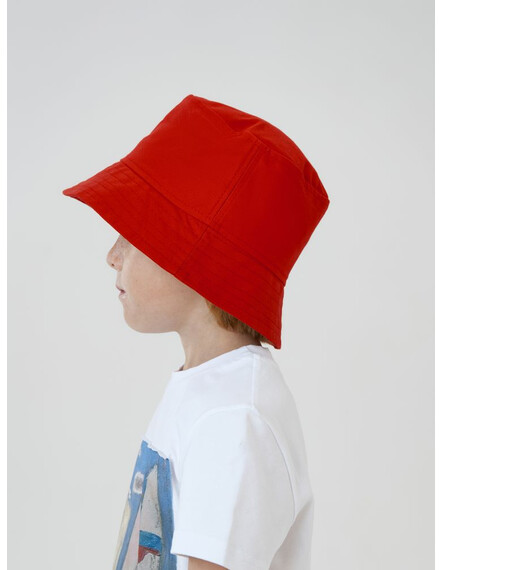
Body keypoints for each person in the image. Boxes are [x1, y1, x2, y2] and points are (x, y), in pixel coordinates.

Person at [61, 93, 330, 570]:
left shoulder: (233, 421)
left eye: (132, 233)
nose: (112, 256)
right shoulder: (209, 388)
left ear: (201, 263)